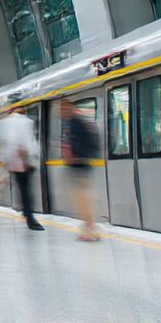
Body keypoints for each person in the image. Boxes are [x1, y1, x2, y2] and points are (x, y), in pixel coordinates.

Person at [0, 107, 44, 230]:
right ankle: (29, 218)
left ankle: (27, 214)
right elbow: (29, 142)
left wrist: (5, 162)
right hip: (24, 161)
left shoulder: (4, 123)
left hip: (16, 162)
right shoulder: (25, 122)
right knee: (26, 191)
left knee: (23, 190)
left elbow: (3, 143)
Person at [61, 100, 102, 241]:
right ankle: (88, 229)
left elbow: (74, 144)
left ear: (68, 108)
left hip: (80, 167)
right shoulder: (77, 122)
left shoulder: (75, 123)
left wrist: (74, 156)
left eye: (62, 109)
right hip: (81, 166)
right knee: (82, 199)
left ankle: (91, 230)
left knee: (83, 200)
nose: (60, 113)